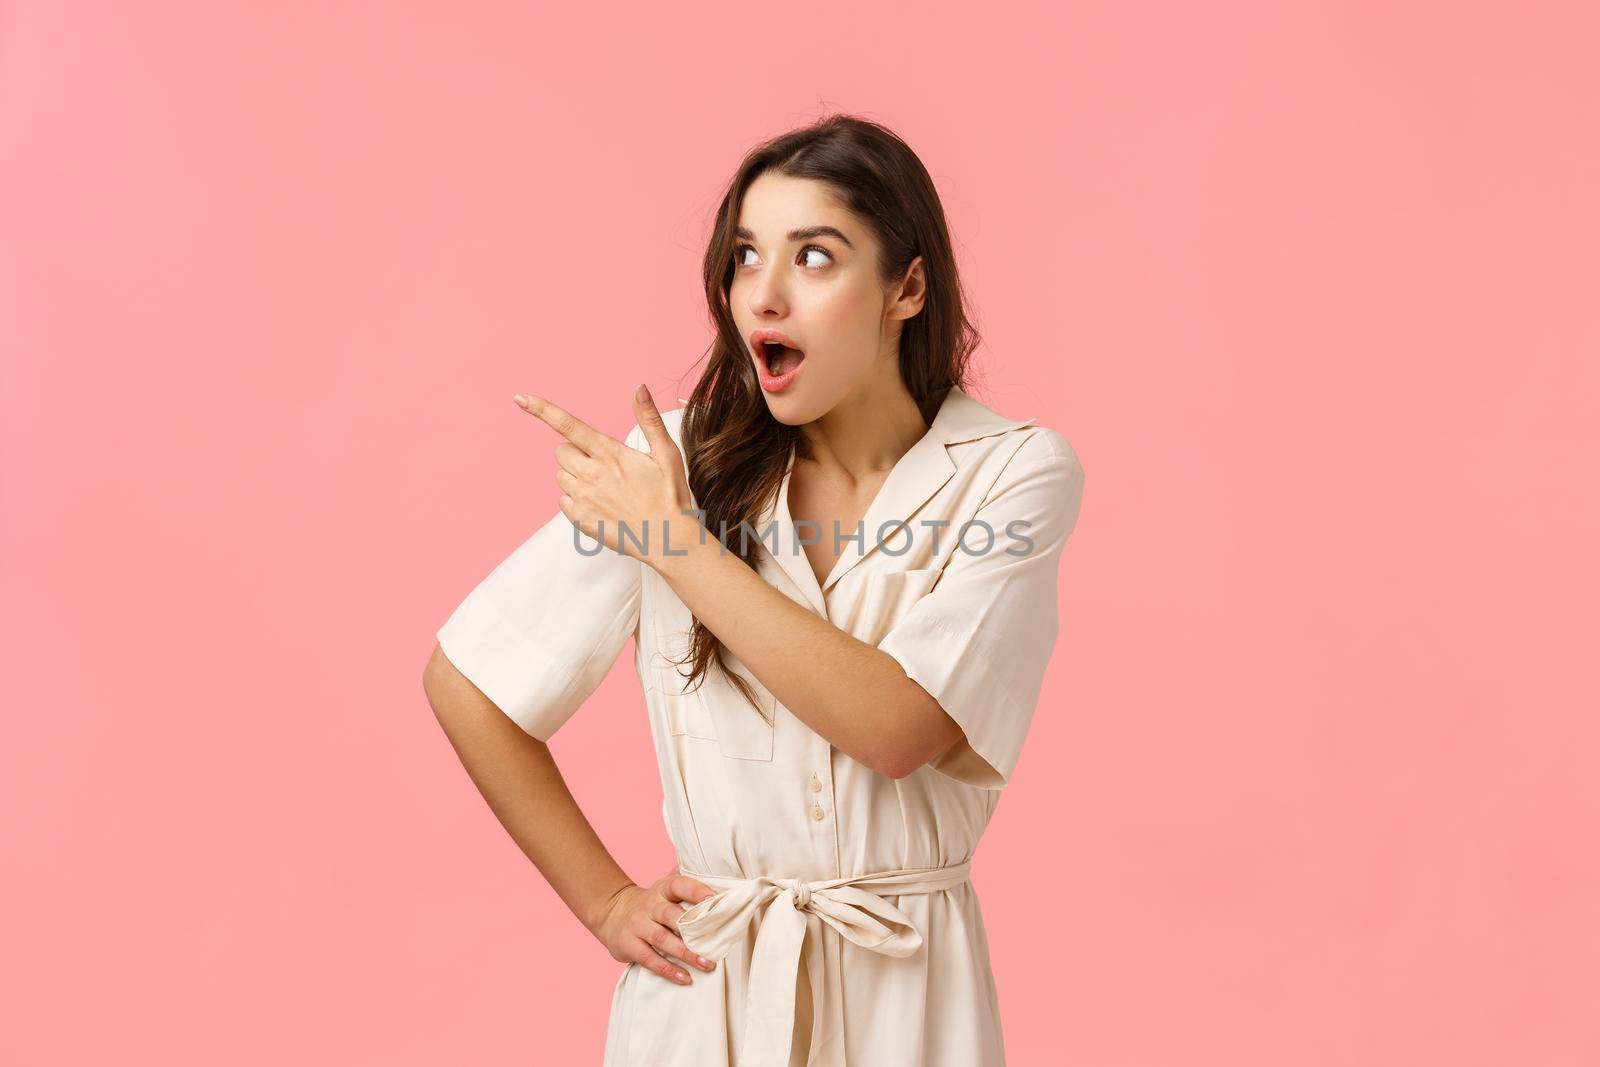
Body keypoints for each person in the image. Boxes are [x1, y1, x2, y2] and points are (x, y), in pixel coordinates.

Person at [422, 113, 1087, 1067]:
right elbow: (467, 680)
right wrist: (606, 901)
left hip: (910, 999)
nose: (762, 296)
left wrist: (673, 544)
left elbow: (898, 727)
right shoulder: (678, 460)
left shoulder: (1013, 473)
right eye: (744, 256)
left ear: (906, 285)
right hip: (707, 998)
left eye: (814, 257)